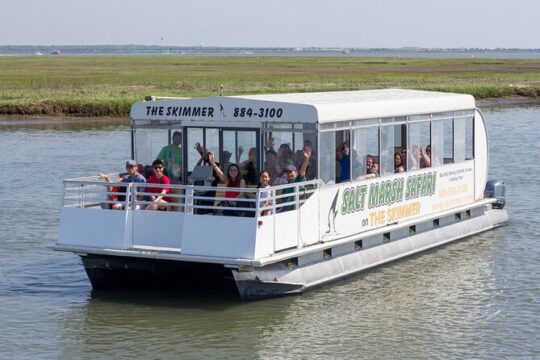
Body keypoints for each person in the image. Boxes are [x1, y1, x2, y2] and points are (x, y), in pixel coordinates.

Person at [281, 146, 311, 211]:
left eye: (290, 172)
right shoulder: (285, 187)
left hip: (296, 211)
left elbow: (303, 170)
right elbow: (282, 201)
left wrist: (306, 159)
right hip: (285, 212)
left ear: (296, 172)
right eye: (287, 172)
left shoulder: (299, 179)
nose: (289, 174)